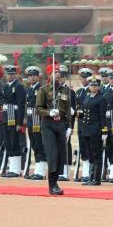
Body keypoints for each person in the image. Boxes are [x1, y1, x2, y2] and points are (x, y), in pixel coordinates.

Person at [36, 65, 73, 195]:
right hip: (48, 125)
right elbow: (38, 109)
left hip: (61, 124)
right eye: (54, 72)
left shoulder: (65, 91)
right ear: (48, 75)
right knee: (52, 154)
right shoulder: (44, 90)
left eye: (58, 72)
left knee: (61, 155)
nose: (57, 74)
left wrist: (69, 126)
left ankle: (55, 182)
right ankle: (52, 185)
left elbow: (68, 110)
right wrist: (49, 112)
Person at [0, 65, 26, 177]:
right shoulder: (6, 86)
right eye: (8, 74)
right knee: (8, 142)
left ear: (15, 75)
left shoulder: (19, 86)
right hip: (6, 117)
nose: (10, 76)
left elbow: (21, 105)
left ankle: (15, 169)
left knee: (14, 142)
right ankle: (11, 167)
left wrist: (19, 123)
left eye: (12, 74)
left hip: (14, 118)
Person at [80, 76, 107, 186]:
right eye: (91, 85)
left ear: (99, 86)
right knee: (90, 155)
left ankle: (96, 179)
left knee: (96, 155)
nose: (93, 87)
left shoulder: (101, 98)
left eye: (95, 85)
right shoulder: (87, 96)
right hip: (86, 129)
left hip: (95, 129)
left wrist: (104, 132)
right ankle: (90, 177)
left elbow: (103, 116)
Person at [25, 66, 48, 180]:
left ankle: (41, 171)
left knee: (40, 145)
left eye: (34, 75)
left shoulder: (41, 88)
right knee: (34, 144)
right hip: (30, 120)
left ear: (38, 76)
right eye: (30, 76)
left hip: (38, 121)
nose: (32, 77)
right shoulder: (29, 89)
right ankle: (38, 169)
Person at [73, 68, 93, 182]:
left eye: (86, 77)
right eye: (82, 77)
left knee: (90, 149)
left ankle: (90, 173)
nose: (84, 79)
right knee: (83, 149)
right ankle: (85, 173)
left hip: (90, 124)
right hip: (80, 123)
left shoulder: (92, 91)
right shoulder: (79, 91)